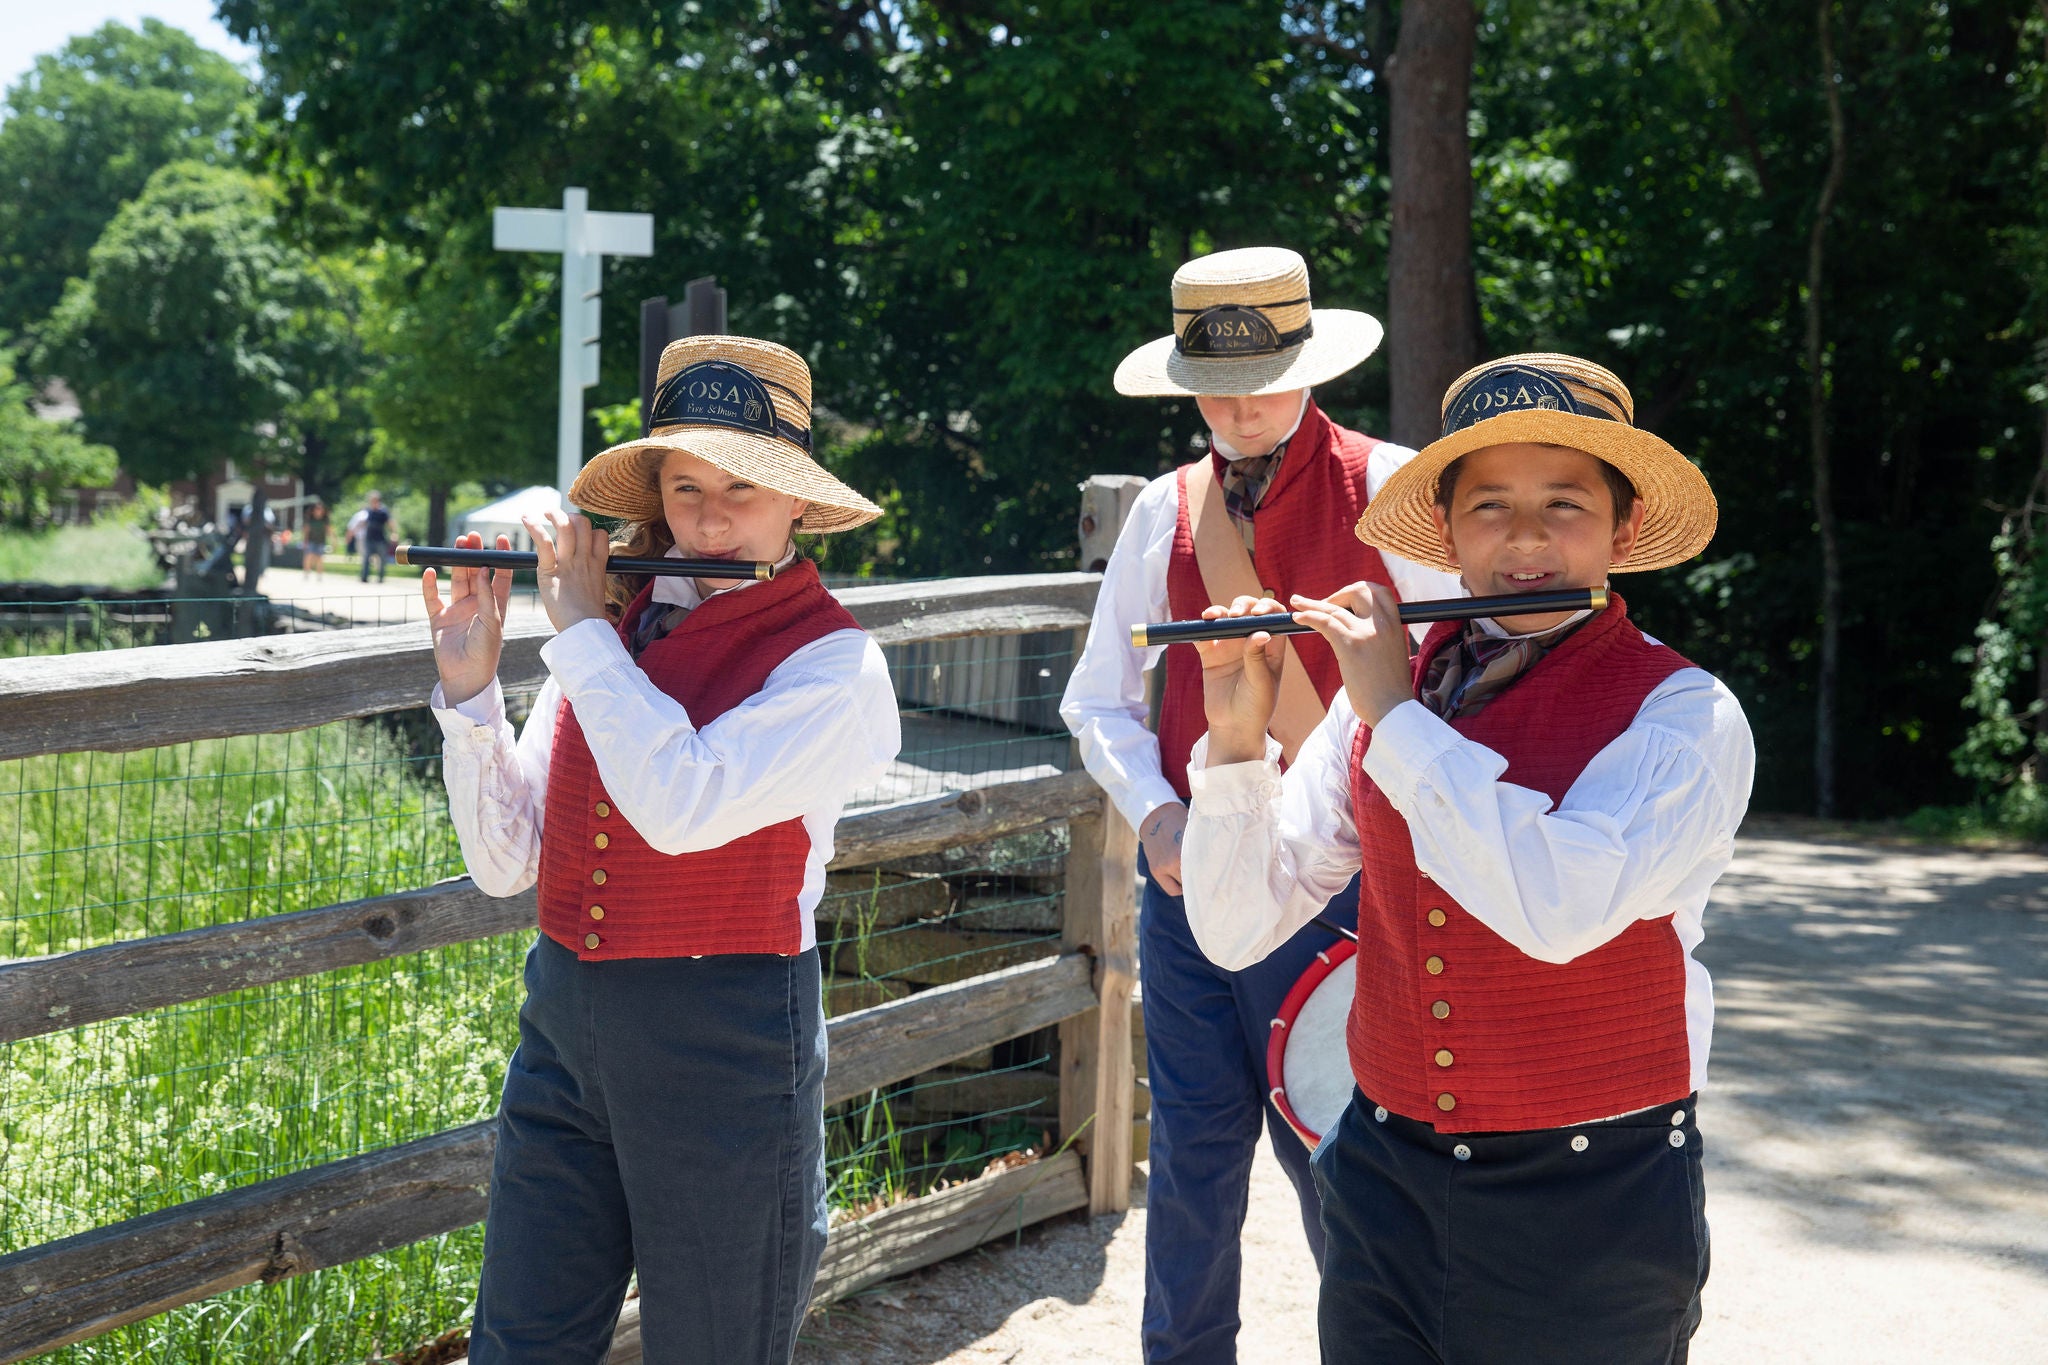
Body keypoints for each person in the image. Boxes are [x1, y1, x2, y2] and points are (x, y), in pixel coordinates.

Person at [1181, 353, 1756, 1364]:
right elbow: (1234, 929)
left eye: (1564, 503)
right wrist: (1234, 744)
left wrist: (1396, 718)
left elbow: (1555, 911)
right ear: (1444, 532)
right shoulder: (1387, 706)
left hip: (1589, 1201)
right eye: (1487, 504)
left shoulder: (1682, 715)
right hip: (1381, 1178)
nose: (1525, 536)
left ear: (1622, 529)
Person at [422, 335, 900, 1362]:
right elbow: (508, 866)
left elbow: (680, 807)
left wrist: (580, 635)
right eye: (686, 489)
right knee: (517, 1345)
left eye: (744, 487)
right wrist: (468, 694)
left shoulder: (837, 666)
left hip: (723, 1043)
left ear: (799, 506)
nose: (713, 519)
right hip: (561, 1025)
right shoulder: (613, 636)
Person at [1060, 245, 1461, 1364]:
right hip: (1187, 879)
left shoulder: (1392, 485)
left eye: (1263, 376)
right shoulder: (1161, 510)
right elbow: (1096, 701)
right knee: (1191, 1158)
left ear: (1309, 367)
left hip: (1341, 883)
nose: (1237, 406)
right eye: (1215, 386)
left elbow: (1444, 676)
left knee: (1341, 1151)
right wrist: (1155, 817)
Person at [356, 491, 393, 582]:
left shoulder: (383, 512)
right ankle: (364, 577)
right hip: (369, 538)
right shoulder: (369, 511)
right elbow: (364, 522)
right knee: (366, 558)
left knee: (382, 559)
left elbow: (390, 523)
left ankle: (381, 577)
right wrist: (357, 529)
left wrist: (393, 533)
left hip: (380, 539)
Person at [302, 498, 330, 575]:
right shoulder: (310, 520)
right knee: (309, 556)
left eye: (320, 509)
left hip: (321, 541)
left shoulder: (325, 520)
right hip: (311, 540)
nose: (319, 511)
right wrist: (305, 542)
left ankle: (319, 574)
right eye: (317, 509)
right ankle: (307, 572)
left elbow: (329, 531)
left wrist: (333, 541)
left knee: (319, 557)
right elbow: (306, 532)